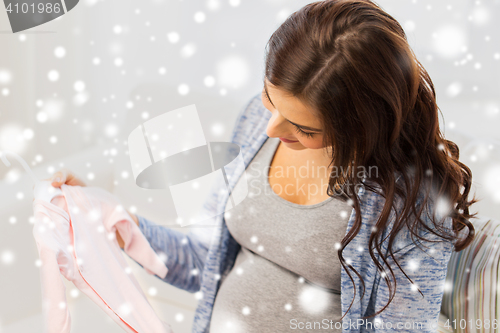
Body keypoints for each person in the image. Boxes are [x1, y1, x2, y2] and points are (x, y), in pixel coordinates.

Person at [48, 0, 478, 332]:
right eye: (270, 99)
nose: (272, 129)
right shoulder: (256, 122)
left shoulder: (410, 197)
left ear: (361, 125)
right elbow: (203, 260)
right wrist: (115, 220)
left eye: (303, 127)